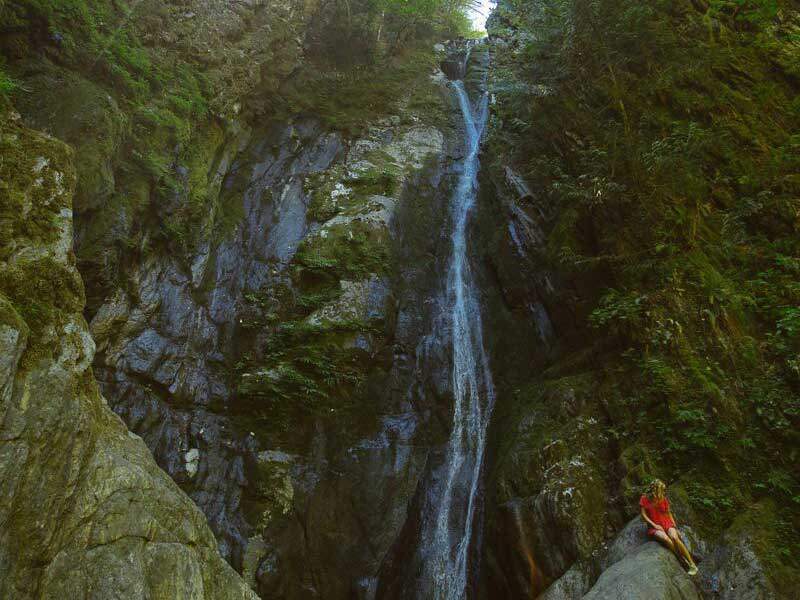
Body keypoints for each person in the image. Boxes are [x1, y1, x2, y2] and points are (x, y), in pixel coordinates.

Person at [639, 479, 699, 576]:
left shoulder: (663, 498)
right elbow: (643, 514)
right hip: (654, 526)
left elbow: (669, 513)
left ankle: (692, 564)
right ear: (655, 489)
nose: (663, 492)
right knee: (666, 539)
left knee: (675, 537)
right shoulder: (644, 498)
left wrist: (674, 526)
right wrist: (654, 525)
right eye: (661, 489)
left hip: (667, 523)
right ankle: (681, 558)